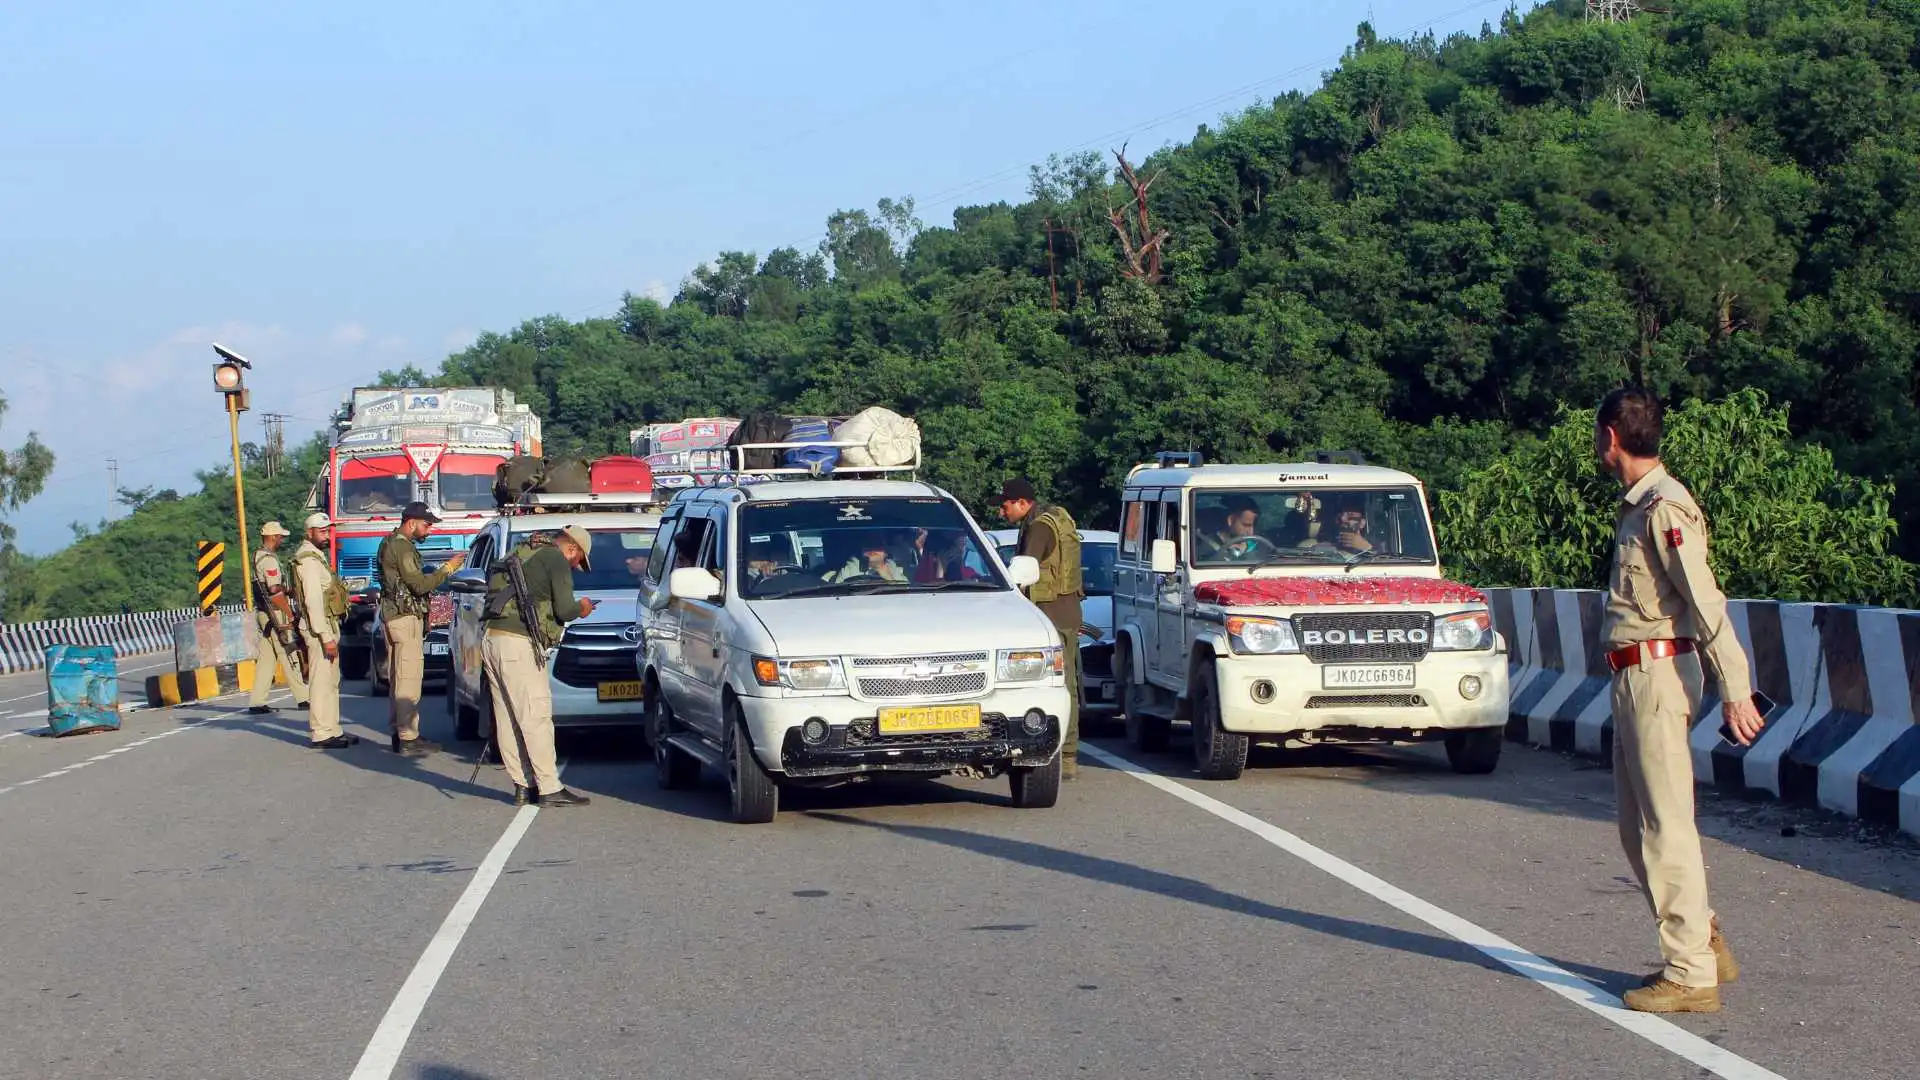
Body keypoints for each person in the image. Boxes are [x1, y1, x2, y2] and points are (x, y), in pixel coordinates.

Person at [1596, 386, 1762, 1014]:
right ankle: (1702, 934)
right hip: (1634, 676)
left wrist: (1735, 689)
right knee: (1636, 830)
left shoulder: (1666, 508)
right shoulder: (1637, 506)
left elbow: (1704, 601)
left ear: (1612, 436)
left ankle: (1690, 972)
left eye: (1597, 435)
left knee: (1666, 828)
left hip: (1658, 676)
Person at [483, 524, 597, 808]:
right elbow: (564, 610)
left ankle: (523, 786)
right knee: (536, 716)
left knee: (509, 717)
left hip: (492, 638)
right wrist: (583, 607)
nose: (573, 566)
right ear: (572, 549)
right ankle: (549, 788)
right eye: (577, 561)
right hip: (518, 645)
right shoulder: (555, 558)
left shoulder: (525, 549)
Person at [999, 478, 1084, 779]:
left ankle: (1066, 756)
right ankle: (1068, 754)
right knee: (1065, 685)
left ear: (1023, 503)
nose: (1001, 511)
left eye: (1005, 504)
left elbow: (1024, 570)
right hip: (1062, 613)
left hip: (1049, 617)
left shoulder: (1039, 527)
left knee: (1058, 687)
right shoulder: (1050, 519)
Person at [376, 501, 465, 756]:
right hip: (405, 618)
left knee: (398, 678)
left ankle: (400, 731)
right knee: (409, 679)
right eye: (426, 525)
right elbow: (419, 585)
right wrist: (447, 568)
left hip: (395, 616)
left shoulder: (390, 543)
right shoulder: (402, 547)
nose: (429, 531)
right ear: (411, 522)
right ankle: (408, 737)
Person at [291, 513, 358, 750]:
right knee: (321, 682)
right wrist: (325, 636)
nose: (326, 534)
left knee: (331, 681)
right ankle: (321, 732)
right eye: (321, 530)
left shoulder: (316, 558)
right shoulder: (307, 561)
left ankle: (333, 729)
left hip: (328, 626)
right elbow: (313, 602)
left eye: (328, 530)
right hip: (319, 630)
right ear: (309, 532)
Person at [248, 520, 310, 715]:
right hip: (275, 613)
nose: (282, 539)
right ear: (273, 537)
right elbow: (274, 591)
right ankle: (304, 697)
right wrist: (289, 614)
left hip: (263, 613)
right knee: (288, 652)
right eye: (280, 536)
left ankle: (257, 701)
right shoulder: (269, 560)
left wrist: (287, 590)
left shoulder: (257, 556)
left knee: (266, 659)